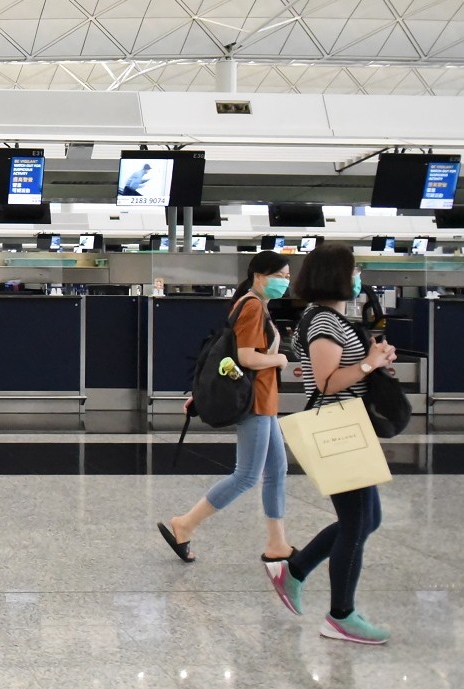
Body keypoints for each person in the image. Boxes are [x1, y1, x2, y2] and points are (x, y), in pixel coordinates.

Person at [266, 243, 397, 645]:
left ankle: (294, 571)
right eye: (354, 269)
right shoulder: (323, 320)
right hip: (337, 430)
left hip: (348, 426)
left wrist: (372, 359)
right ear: (337, 275)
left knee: (368, 519)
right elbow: (326, 382)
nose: (358, 276)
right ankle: (341, 615)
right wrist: (370, 363)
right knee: (357, 523)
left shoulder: (329, 318)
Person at [158, 251, 296, 564]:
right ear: (259, 276)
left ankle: (277, 542)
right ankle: (185, 524)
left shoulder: (258, 305)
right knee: (246, 476)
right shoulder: (252, 305)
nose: (285, 282)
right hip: (255, 401)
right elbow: (246, 357)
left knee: (276, 471)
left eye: (287, 277)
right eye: (279, 276)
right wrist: (278, 358)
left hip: (265, 401)